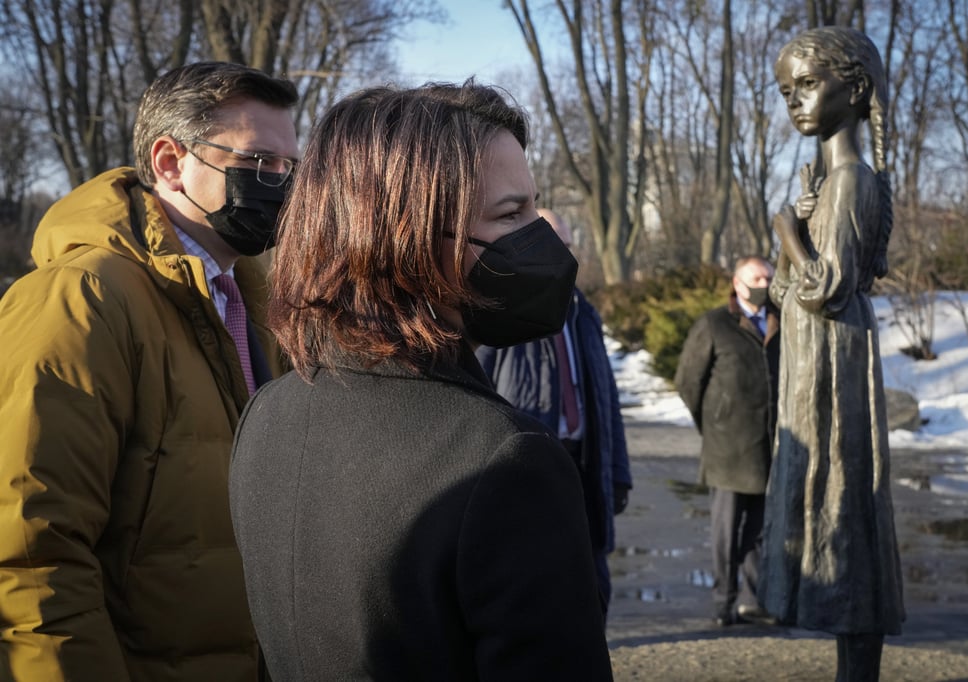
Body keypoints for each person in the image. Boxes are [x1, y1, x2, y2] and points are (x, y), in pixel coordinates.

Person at [228, 82, 614, 680]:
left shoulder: (268, 410)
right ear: (400, 237)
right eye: (512, 213)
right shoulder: (504, 460)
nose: (542, 237)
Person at [0, 62, 299, 680]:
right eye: (259, 164)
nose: (282, 186)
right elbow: (29, 556)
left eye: (289, 169)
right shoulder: (79, 301)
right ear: (169, 162)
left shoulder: (251, 302)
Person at [761, 26, 905, 682]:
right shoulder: (828, 180)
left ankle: (859, 658)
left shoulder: (853, 179)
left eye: (808, 85)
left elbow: (827, 286)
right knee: (827, 506)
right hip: (813, 362)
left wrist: (789, 233)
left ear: (854, 88)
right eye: (787, 91)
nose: (795, 102)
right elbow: (786, 289)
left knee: (844, 505)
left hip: (834, 367)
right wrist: (793, 240)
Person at [475, 207, 633, 622]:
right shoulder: (498, 314)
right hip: (526, 470)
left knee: (593, 583)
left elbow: (605, 400)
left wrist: (618, 473)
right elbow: (476, 401)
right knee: (539, 590)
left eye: (565, 244)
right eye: (549, 242)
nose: (559, 254)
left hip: (584, 462)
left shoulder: (584, 313)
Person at [675, 255, 780, 627]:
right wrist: (713, 421)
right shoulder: (715, 324)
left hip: (769, 446)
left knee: (760, 529)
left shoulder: (779, 324)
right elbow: (689, 381)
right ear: (737, 283)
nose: (764, 284)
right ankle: (724, 600)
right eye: (757, 278)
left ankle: (753, 599)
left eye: (769, 277)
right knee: (726, 530)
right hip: (727, 449)